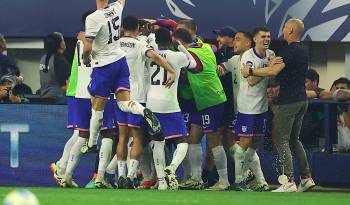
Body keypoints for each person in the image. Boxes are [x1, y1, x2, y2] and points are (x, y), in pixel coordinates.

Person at [79, 0, 175, 153]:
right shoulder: (117, 8)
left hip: (104, 66)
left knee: (97, 108)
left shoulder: (93, 18)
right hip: (120, 62)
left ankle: (91, 143)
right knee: (124, 103)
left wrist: (85, 58)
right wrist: (171, 70)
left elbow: (88, 46)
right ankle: (144, 111)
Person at [242, 18, 316, 192]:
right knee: (294, 140)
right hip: (301, 101)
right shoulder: (303, 50)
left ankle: (288, 181)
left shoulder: (288, 51)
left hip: (288, 102)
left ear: (290, 30)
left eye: (284, 27)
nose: (282, 30)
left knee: (281, 140)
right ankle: (306, 177)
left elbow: (273, 71)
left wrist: (250, 71)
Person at [110, 15, 176, 189]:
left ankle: (121, 176)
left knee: (122, 137)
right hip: (138, 97)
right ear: (138, 29)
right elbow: (153, 56)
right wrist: (170, 70)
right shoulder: (140, 45)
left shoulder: (114, 44)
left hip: (119, 95)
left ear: (122, 28)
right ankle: (132, 176)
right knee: (137, 137)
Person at [174, 25, 229, 191]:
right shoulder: (204, 46)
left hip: (211, 100)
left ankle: (224, 181)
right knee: (193, 138)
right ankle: (196, 178)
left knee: (213, 140)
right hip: (202, 101)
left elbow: (192, 65)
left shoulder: (192, 56)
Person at [145, 27, 196, 190]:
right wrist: (180, 46)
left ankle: (161, 182)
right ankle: (172, 167)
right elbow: (193, 64)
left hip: (151, 103)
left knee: (157, 142)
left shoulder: (148, 56)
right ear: (171, 40)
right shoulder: (178, 56)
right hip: (170, 104)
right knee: (182, 140)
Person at [217, 31, 254, 189]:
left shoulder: (253, 59)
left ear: (248, 43)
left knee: (247, 145)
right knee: (232, 143)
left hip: (251, 109)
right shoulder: (233, 60)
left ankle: (241, 179)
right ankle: (252, 177)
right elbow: (219, 69)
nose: (235, 42)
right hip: (239, 110)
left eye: (238, 40)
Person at [38, 32, 70, 104]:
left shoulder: (43, 58)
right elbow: (65, 86)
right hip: (58, 101)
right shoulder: (60, 61)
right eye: (63, 40)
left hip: (44, 98)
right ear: (61, 44)